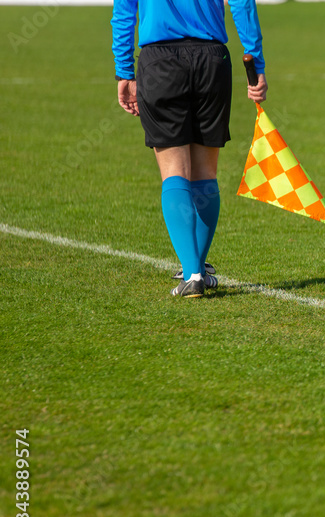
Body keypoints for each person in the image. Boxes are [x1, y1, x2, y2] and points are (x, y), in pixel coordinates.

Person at [111, 0, 268, 297]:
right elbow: (242, 3)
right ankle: (196, 269)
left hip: (160, 61)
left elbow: (123, 12)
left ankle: (193, 273)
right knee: (206, 173)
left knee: (174, 172)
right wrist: (255, 64)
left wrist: (124, 72)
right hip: (212, 59)